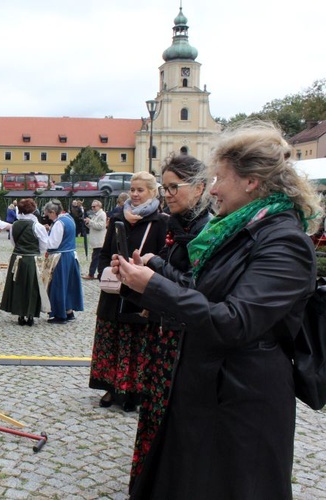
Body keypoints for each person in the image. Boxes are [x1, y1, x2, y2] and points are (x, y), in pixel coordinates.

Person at [116, 122, 319, 499]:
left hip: (243, 400)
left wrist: (155, 286)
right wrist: (151, 274)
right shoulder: (236, 230)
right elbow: (200, 291)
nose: (212, 189)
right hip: (206, 387)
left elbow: (236, 321)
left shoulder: (284, 241)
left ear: (251, 182)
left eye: (218, 179)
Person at [126, 153, 212, 490]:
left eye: (174, 187)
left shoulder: (205, 228)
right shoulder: (180, 225)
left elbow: (196, 285)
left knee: (172, 412)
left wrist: (155, 268)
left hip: (183, 335)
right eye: (165, 187)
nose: (168, 194)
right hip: (164, 328)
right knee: (157, 408)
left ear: (200, 187)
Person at [88, 171, 168, 412]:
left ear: (152, 192)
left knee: (137, 343)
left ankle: (135, 391)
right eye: (132, 189)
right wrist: (107, 270)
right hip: (113, 294)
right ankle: (112, 388)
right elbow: (104, 253)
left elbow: (163, 258)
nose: (134, 194)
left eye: (140, 190)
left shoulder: (160, 222)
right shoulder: (117, 218)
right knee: (112, 341)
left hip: (141, 294)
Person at [0, 198, 49, 326]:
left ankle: (20, 315)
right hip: (31, 258)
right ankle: (30, 314)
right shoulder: (37, 226)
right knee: (32, 287)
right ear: (33, 210)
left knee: (19, 286)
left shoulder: (14, 225)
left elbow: (13, 243)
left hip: (17, 258)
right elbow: (44, 245)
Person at [41, 199, 84, 323]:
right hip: (70, 255)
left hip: (61, 257)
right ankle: (68, 311)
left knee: (58, 285)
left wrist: (44, 236)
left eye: (48, 214)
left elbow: (53, 243)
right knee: (68, 285)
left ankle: (60, 315)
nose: (48, 217)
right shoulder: (69, 219)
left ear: (53, 212)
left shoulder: (59, 223)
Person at [82, 200, 107, 279]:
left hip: (99, 241)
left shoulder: (102, 214)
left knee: (95, 258)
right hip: (96, 241)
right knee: (96, 258)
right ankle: (97, 273)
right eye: (92, 206)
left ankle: (91, 274)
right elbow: (93, 226)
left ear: (99, 206)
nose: (92, 208)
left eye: (94, 206)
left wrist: (91, 222)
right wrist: (88, 223)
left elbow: (101, 226)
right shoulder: (95, 215)